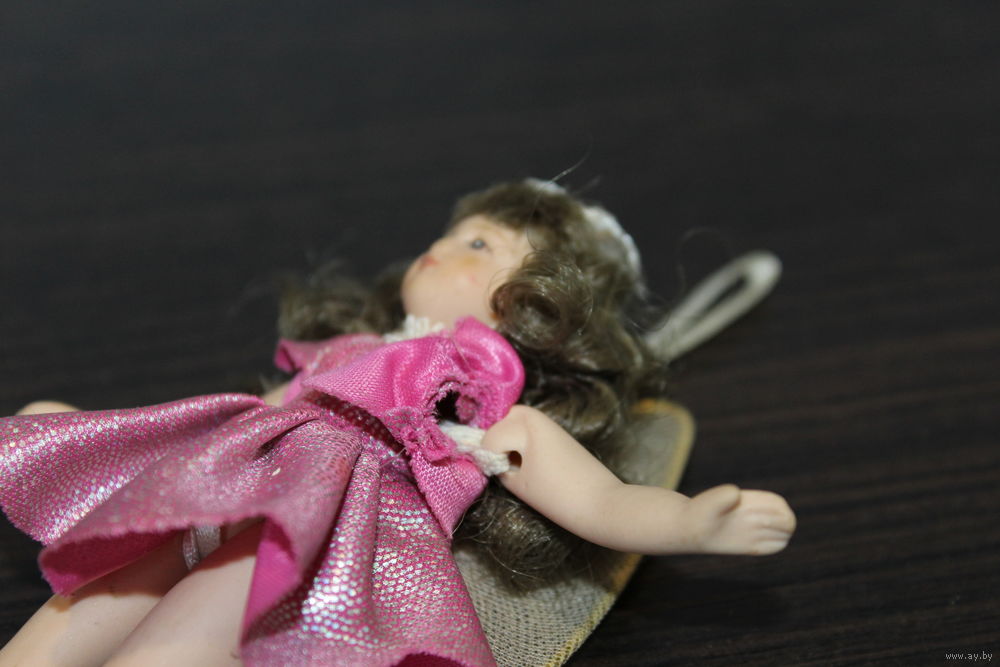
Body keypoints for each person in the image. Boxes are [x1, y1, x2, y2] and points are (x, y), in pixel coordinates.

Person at [0, 179, 795, 666]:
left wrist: (691, 524)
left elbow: (598, 501)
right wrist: (110, 443)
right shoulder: (354, 349)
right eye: (450, 232)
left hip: (313, 533)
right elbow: (254, 416)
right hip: (230, 486)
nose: (442, 247)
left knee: (195, 624)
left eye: (479, 242)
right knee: (103, 591)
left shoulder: (483, 411)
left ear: (538, 300)